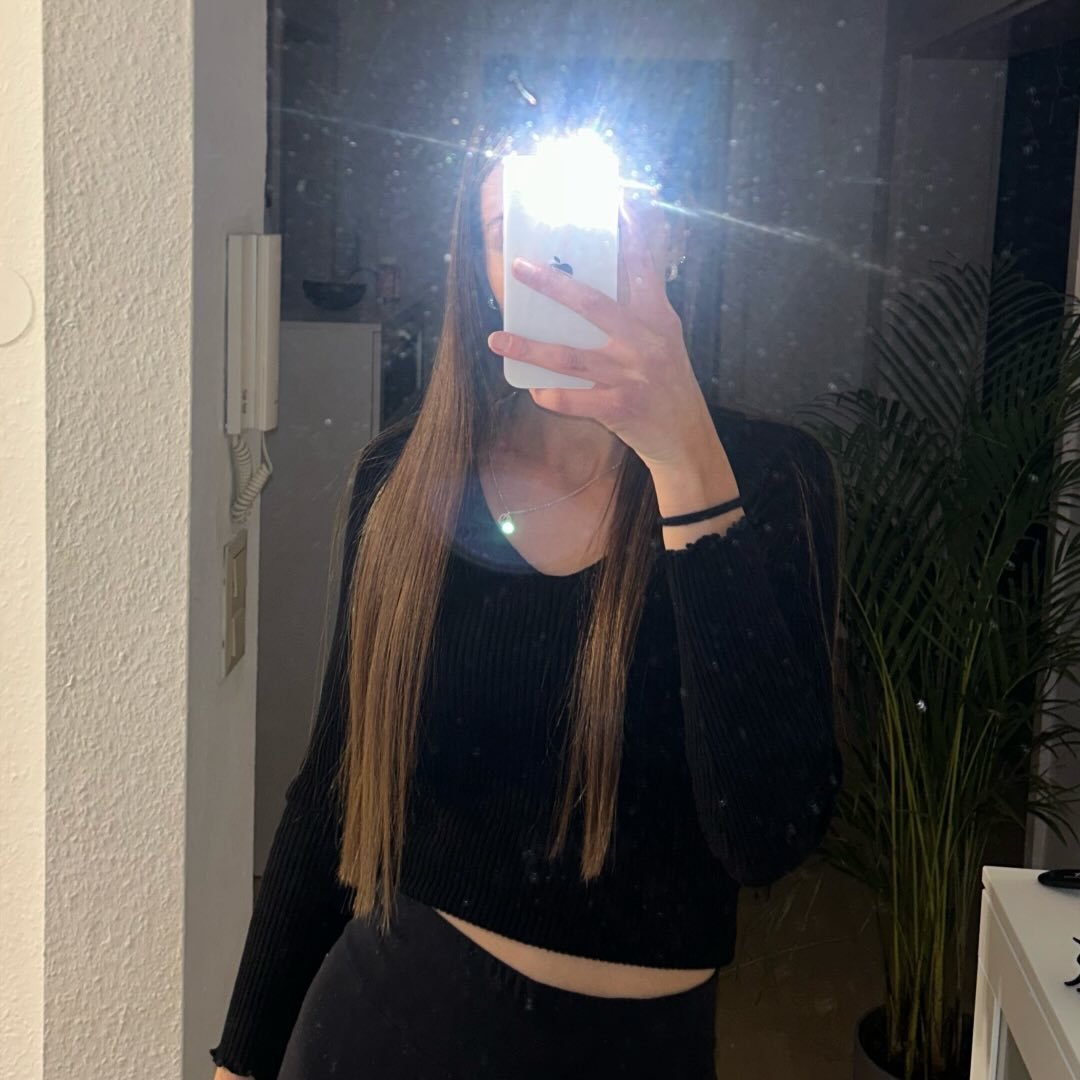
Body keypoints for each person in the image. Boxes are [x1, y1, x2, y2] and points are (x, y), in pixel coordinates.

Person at [210, 127, 843, 1080]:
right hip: (385, 1026)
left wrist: (683, 462)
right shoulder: (405, 481)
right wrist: (242, 1061)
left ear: (674, 239)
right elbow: (335, 781)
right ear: (485, 271)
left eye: (596, 222)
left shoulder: (775, 480)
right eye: (517, 232)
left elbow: (765, 837)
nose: (557, 265)